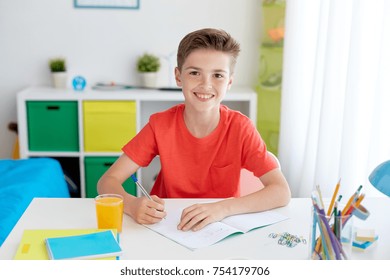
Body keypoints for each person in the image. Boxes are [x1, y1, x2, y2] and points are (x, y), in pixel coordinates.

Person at [97, 28, 291, 232]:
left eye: (217, 75)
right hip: (166, 226)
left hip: (219, 226)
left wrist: (222, 208)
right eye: (195, 73)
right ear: (179, 77)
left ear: (229, 82)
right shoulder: (160, 125)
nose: (206, 84)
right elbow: (107, 181)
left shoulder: (241, 129)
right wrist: (132, 204)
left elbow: (281, 191)